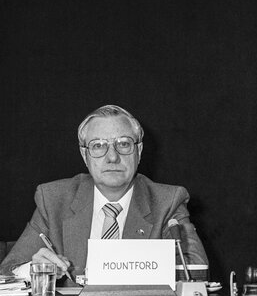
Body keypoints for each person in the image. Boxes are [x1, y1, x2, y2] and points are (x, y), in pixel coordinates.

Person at [0, 105, 207, 280]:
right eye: (98, 146)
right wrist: (35, 269)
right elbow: (7, 271)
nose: (112, 157)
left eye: (123, 144)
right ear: (85, 155)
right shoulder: (54, 199)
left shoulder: (167, 202)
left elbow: (196, 271)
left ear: (139, 151)